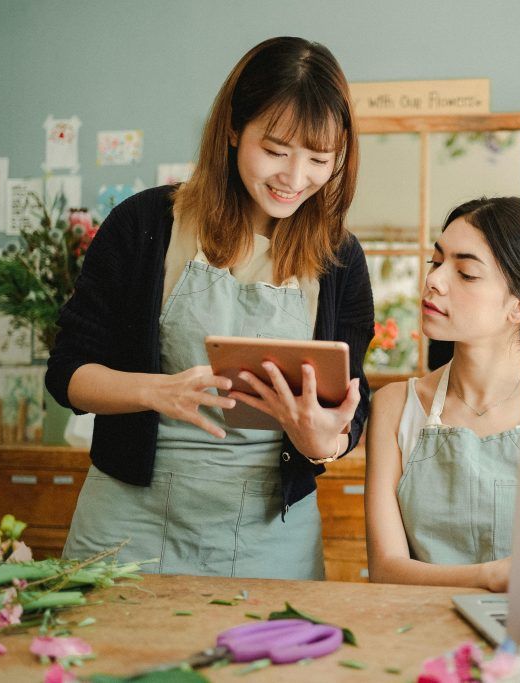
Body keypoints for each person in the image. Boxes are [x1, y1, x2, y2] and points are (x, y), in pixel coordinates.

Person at [46, 37, 374, 580]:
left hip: (272, 531)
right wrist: (157, 390)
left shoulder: (340, 257)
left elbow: (351, 405)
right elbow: (67, 375)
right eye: (275, 150)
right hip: (127, 520)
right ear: (231, 129)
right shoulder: (144, 224)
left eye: (320, 159)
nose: (295, 179)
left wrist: (325, 442)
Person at [364, 197, 520, 592]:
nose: (434, 280)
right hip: (416, 635)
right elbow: (386, 568)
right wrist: (490, 575)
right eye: (436, 261)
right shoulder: (395, 406)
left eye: (465, 273)